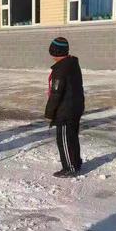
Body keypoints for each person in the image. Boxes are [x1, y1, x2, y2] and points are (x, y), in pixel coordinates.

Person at [44, 37, 85, 178]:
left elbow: (56, 94)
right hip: (75, 107)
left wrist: (49, 113)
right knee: (72, 137)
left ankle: (70, 167)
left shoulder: (61, 69)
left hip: (65, 110)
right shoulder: (72, 63)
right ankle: (76, 163)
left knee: (64, 140)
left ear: (54, 51)